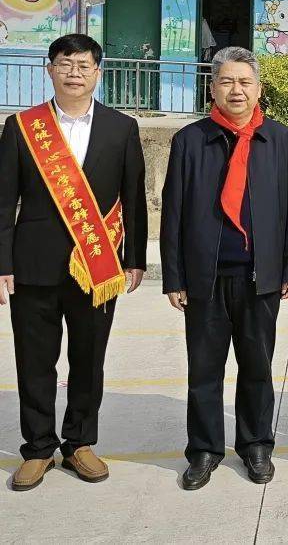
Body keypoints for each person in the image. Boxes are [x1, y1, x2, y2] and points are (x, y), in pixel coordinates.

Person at [0, 34, 147, 491]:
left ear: (97, 73)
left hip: (98, 266)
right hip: (34, 265)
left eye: (84, 65)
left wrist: (135, 258)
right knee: (34, 360)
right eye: (65, 64)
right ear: (50, 69)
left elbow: (134, 199)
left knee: (89, 359)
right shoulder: (22, 126)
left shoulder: (122, 127)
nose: (74, 72)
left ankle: (80, 442)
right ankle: (39, 447)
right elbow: (4, 202)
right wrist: (2, 263)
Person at [160, 46, 288, 491]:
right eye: (227, 81)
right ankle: (204, 449)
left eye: (244, 82)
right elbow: (173, 211)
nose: (236, 90)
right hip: (205, 278)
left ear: (258, 88)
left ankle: (256, 444)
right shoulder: (191, 139)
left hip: (259, 277)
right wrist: (174, 276)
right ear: (213, 87)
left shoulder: (279, 139)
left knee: (257, 366)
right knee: (203, 369)